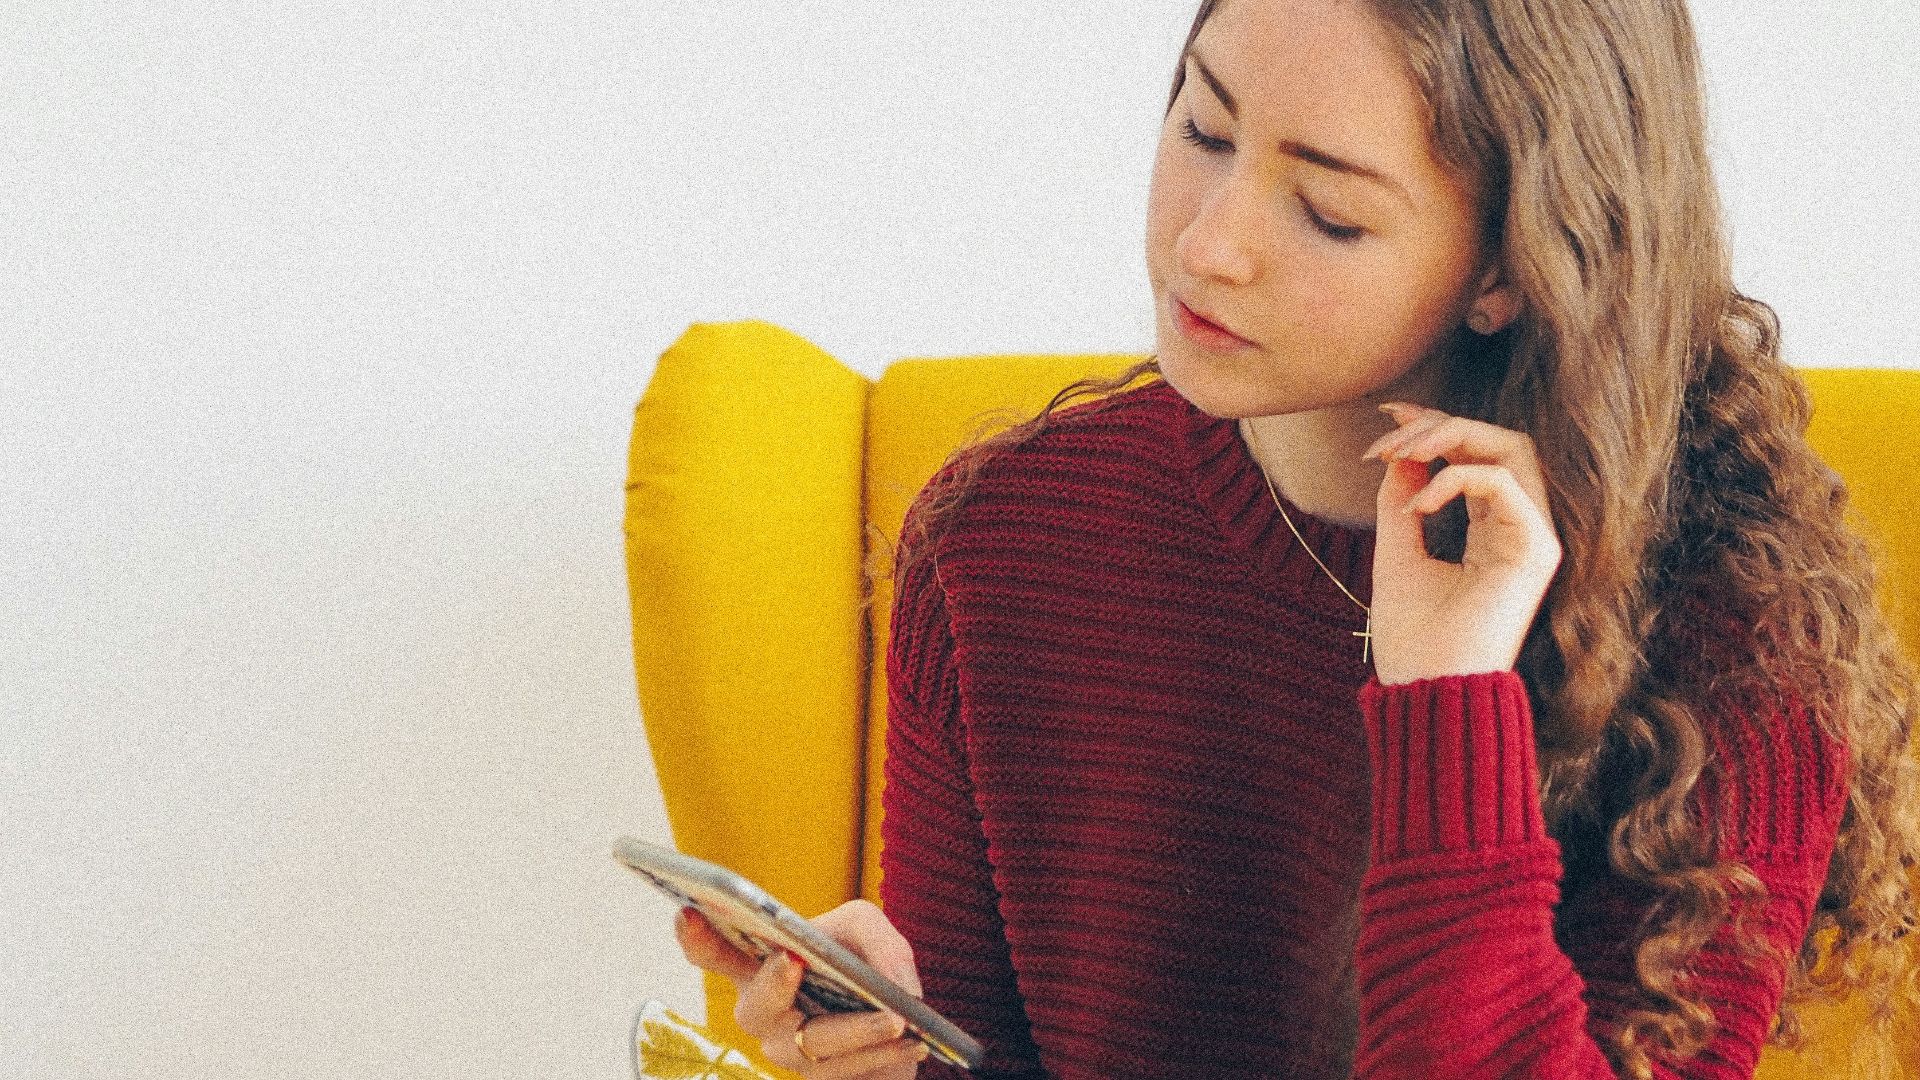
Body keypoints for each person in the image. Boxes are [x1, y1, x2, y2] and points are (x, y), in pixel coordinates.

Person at [676, 0, 1920, 1076]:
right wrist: (884, 1057)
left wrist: (1448, 698)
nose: (1209, 244)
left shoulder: (1733, 636)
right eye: (1203, 129)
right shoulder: (1000, 543)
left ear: (1508, 269)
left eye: (1326, 210)